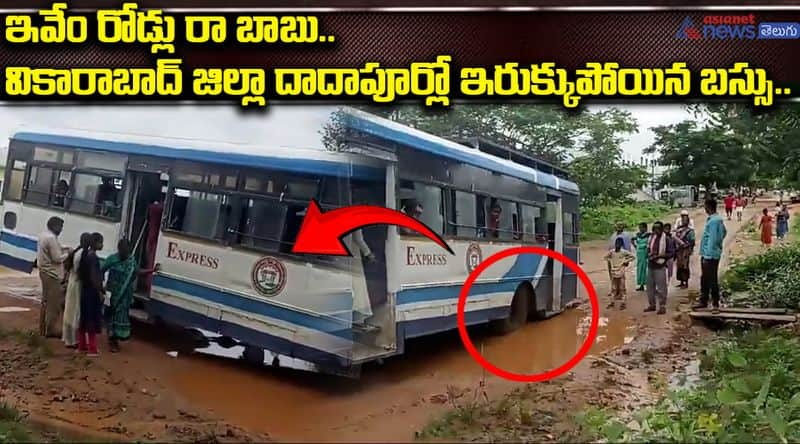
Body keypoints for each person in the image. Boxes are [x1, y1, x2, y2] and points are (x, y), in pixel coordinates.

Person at [102, 239, 160, 352]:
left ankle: (116, 339)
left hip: (124, 295)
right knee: (109, 315)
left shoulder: (131, 261)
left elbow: (137, 271)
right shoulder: (112, 259)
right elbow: (102, 270)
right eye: (123, 250)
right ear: (119, 249)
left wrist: (152, 270)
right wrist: (101, 286)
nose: (126, 253)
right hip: (110, 293)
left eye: (127, 250)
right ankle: (111, 340)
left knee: (120, 316)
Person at [37, 217, 71, 338]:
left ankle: (43, 328)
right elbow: (57, 258)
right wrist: (68, 254)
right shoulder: (51, 238)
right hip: (52, 274)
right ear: (54, 226)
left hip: (44, 272)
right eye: (60, 227)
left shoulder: (44, 235)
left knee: (45, 301)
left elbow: (56, 249)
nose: (61, 230)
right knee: (54, 303)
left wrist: (64, 248)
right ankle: (50, 329)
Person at [694, 199, 727, 312]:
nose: (705, 209)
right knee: (705, 278)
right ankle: (704, 300)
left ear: (708, 207)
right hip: (710, 254)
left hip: (710, 255)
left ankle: (715, 303)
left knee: (711, 279)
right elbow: (724, 232)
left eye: (705, 207)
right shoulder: (716, 219)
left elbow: (712, 239)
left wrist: (708, 255)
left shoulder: (714, 221)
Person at [62, 233, 91, 349]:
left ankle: (68, 339)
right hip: (78, 285)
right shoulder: (83, 255)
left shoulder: (76, 252)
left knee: (69, 310)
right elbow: (83, 274)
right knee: (76, 311)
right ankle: (75, 340)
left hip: (72, 283)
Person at [78, 233, 104, 356]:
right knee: (92, 319)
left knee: (84, 318)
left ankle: (82, 345)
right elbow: (94, 276)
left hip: (84, 290)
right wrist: (99, 291)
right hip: (92, 292)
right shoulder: (93, 257)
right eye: (100, 242)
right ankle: (92, 348)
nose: (102, 245)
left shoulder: (85, 254)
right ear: (95, 243)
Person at [645, 221, 675, 315]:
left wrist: (659, 256)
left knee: (661, 288)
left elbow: (671, 253)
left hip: (660, 265)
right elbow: (648, 248)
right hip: (650, 265)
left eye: (658, 228)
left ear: (662, 229)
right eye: (654, 228)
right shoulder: (651, 238)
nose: (655, 230)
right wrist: (649, 255)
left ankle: (662, 306)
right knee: (650, 287)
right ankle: (652, 305)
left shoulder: (666, 239)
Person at [604, 237, 635, 310]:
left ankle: (623, 303)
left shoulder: (624, 252)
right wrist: (610, 261)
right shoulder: (612, 252)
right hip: (614, 271)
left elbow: (633, 257)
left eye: (619, 244)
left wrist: (625, 261)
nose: (617, 245)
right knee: (613, 288)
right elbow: (605, 257)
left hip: (621, 271)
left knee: (622, 288)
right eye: (616, 244)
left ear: (621, 245)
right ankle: (612, 302)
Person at [674, 218, 696, 289]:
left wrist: (688, 247)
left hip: (685, 250)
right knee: (679, 266)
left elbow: (692, 241)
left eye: (685, 221)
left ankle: (686, 282)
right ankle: (681, 282)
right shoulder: (679, 229)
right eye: (683, 220)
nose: (683, 222)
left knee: (685, 266)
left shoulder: (690, 231)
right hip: (679, 250)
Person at [632, 223, 650, 292]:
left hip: (645, 253)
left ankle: (648, 285)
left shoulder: (648, 235)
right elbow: (632, 239)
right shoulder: (638, 235)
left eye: (642, 228)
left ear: (645, 228)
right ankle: (641, 285)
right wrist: (635, 246)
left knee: (646, 269)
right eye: (639, 228)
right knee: (640, 269)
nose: (640, 229)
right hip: (639, 254)